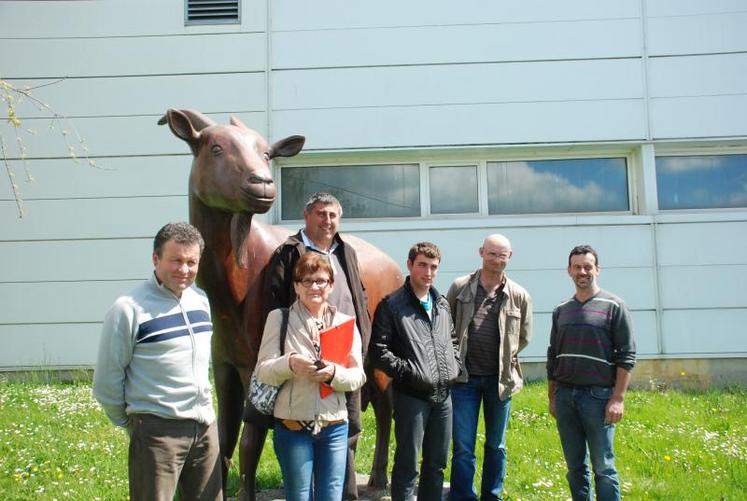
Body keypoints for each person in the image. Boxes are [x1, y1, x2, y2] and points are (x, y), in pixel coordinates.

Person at [93, 222, 221, 501]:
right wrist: (134, 425)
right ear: (155, 258)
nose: (184, 270)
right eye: (175, 260)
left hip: (205, 428)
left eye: (191, 262)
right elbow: (106, 379)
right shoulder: (128, 309)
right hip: (157, 432)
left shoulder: (200, 300)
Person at [263, 191, 371, 499]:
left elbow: (358, 297)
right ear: (307, 216)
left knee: (348, 434)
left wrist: (353, 353)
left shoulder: (345, 250)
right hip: (297, 382)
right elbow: (272, 300)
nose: (327, 221)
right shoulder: (288, 251)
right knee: (299, 491)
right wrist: (290, 357)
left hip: (340, 360)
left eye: (333, 215)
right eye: (321, 214)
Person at [370, 241, 460, 501]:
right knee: (408, 464)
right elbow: (379, 351)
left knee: (437, 463)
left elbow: (452, 340)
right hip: (411, 396)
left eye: (433, 267)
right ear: (409, 265)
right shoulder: (392, 305)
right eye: (422, 265)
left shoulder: (441, 304)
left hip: (443, 396)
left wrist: (454, 366)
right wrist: (410, 373)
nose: (428, 272)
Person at [547, 245, 636, 501]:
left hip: (599, 398)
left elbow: (627, 355)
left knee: (603, 468)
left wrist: (617, 398)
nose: (582, 271)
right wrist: (552, 397)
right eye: (577, 267)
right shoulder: (561, 310)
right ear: (569, 271)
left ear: (597, 269)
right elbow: (553, 355)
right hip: (565, 398)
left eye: (587, 266)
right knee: (574, 468)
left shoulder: (614, 306)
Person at [447, 234, 533, 501]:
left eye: (502, 254)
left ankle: (491, 496)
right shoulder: (460, 287)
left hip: (500, 381)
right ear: (481, 252)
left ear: (510, 257)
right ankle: (462, 496)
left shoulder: (519, 295)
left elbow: (524, 337)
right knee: (463, 446)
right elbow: (446, 326)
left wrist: (506, 358)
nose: (496, 259)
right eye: (492, 253)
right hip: (464, 381)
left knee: (496, 445)